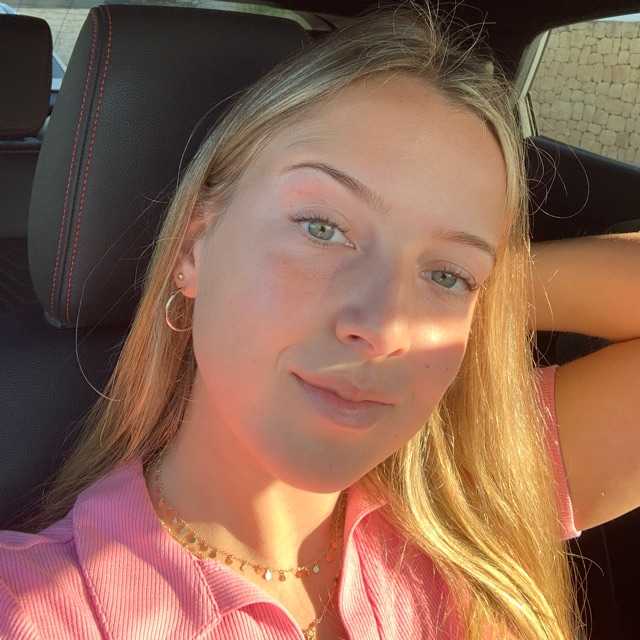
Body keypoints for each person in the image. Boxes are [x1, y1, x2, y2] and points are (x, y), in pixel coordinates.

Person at [1, 2, 639, 639]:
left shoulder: (472, 495)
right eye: (322, 228)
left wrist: (483, 299)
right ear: (193, 246)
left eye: (448, 275)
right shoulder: (33, 609)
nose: (385, 327)